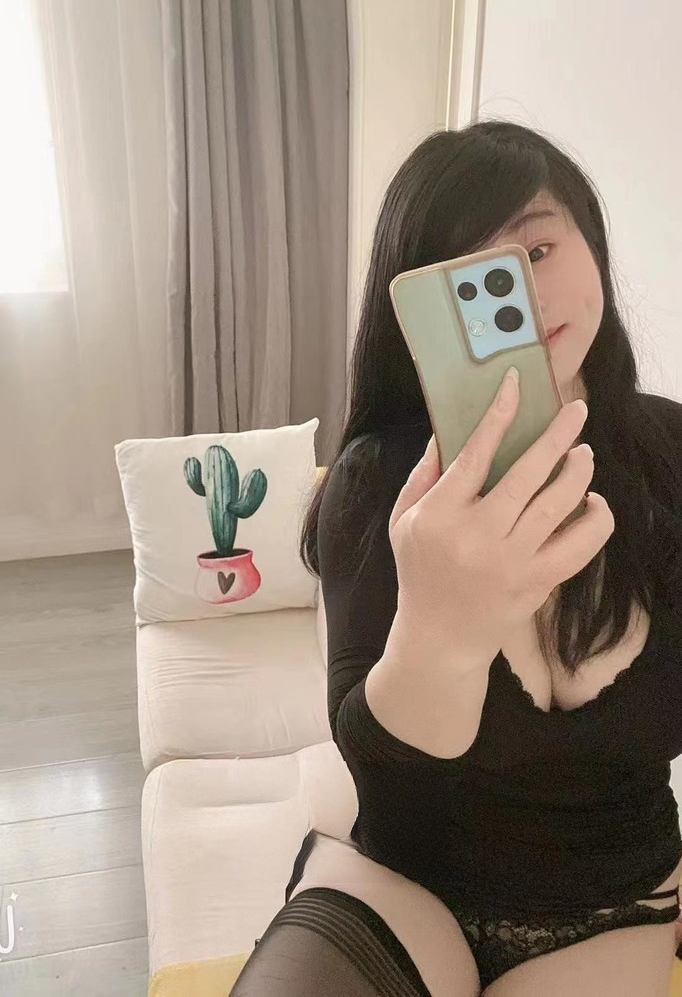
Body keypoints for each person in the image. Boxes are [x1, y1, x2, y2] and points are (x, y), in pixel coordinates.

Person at [231, 121, 682, 996]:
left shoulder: (671, 456)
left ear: (592, 243)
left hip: (611, 903)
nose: (518, 297)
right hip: (402, 881)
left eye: (537, 249)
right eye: (467, 280)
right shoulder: (378, 480)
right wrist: (441, 628)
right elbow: (388, 780)